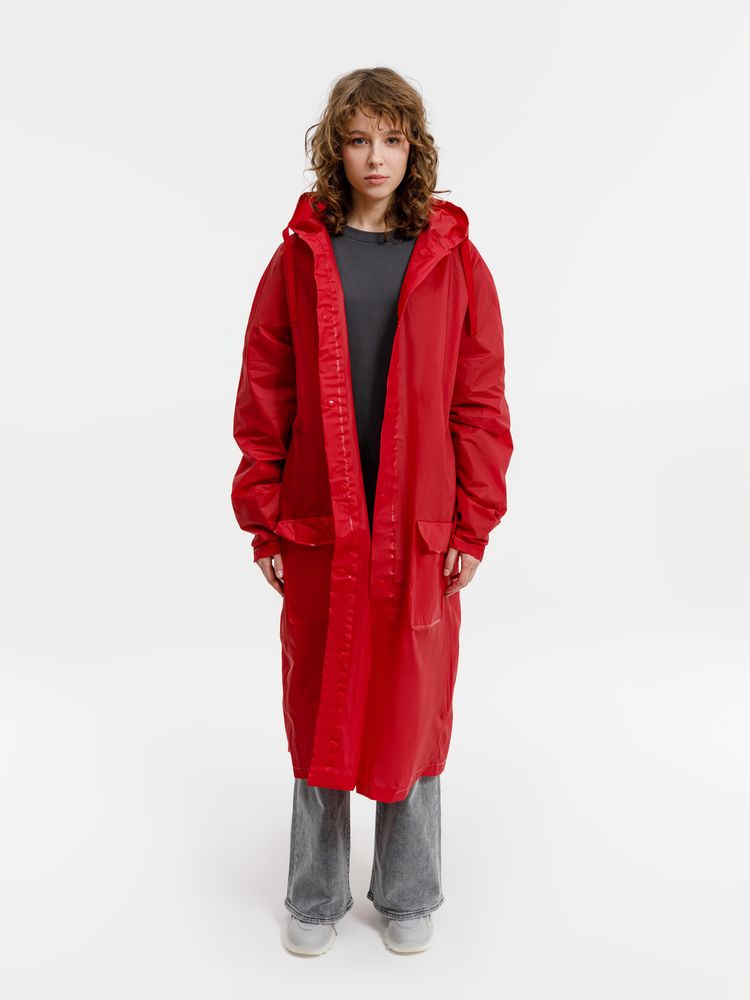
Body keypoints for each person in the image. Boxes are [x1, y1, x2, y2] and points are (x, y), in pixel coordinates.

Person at [231, 67, 513, 956]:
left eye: (392, 139)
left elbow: (479, 399)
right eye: (359, 140)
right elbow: (266, 387)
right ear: (336, 149)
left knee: (411, 706)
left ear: (414, 148)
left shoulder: (454, 260)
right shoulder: (299, 256)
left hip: (419, 525)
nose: (376, 157)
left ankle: (409, 890)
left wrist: (473, 522)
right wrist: (264, 514)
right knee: (322, 698)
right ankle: (314, 896)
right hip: (321, 522)